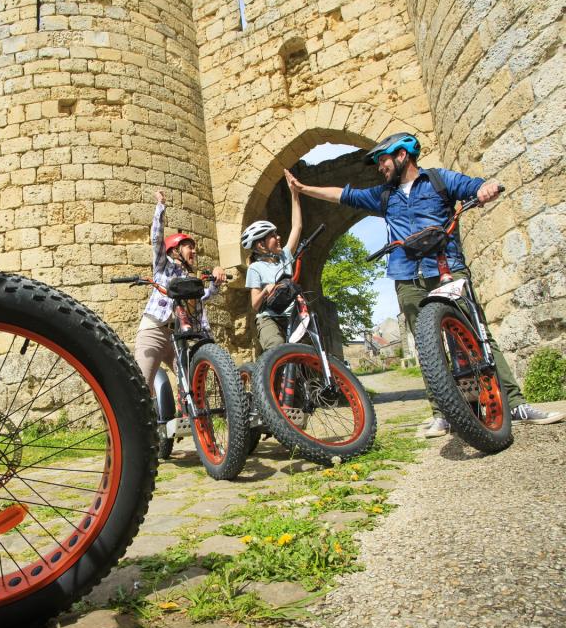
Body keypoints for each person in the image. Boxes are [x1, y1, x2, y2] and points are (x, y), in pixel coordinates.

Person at [284, 133, 565, 437]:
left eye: (384, 160)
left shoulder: (438, 181)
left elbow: (473, 186)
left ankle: (513, 402)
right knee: (427, 345)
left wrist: (486, 188)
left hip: (446, 266)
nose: (380, 167)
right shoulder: (384, 196)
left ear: (402, 156)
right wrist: (303, 188)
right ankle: (441, 414)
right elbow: (344, 195)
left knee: (476, 332)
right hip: (406, 274)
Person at [133, 190, 226, 395]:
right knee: (141, 386)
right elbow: (157, 239)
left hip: (179, 335)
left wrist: (217, 281)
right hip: (155, 329)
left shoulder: (192, 279)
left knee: (191, 386)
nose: (194, 251)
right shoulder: (163, 267)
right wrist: (160, 207)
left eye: (194, 248)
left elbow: (203, 298)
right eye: (188, 247)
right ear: (175, 251)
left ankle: (190, 420)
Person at [242, 175, 303, 351]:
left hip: (292, 316)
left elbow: (297, 227)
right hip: (269, 318)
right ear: (261, 245)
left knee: (306, 351)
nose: (278, 238)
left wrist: (295, 194)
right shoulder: (255, 268)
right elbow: (255, 304)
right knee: (277, 348)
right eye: (273, 236)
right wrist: (266, 290)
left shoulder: (285, 256)